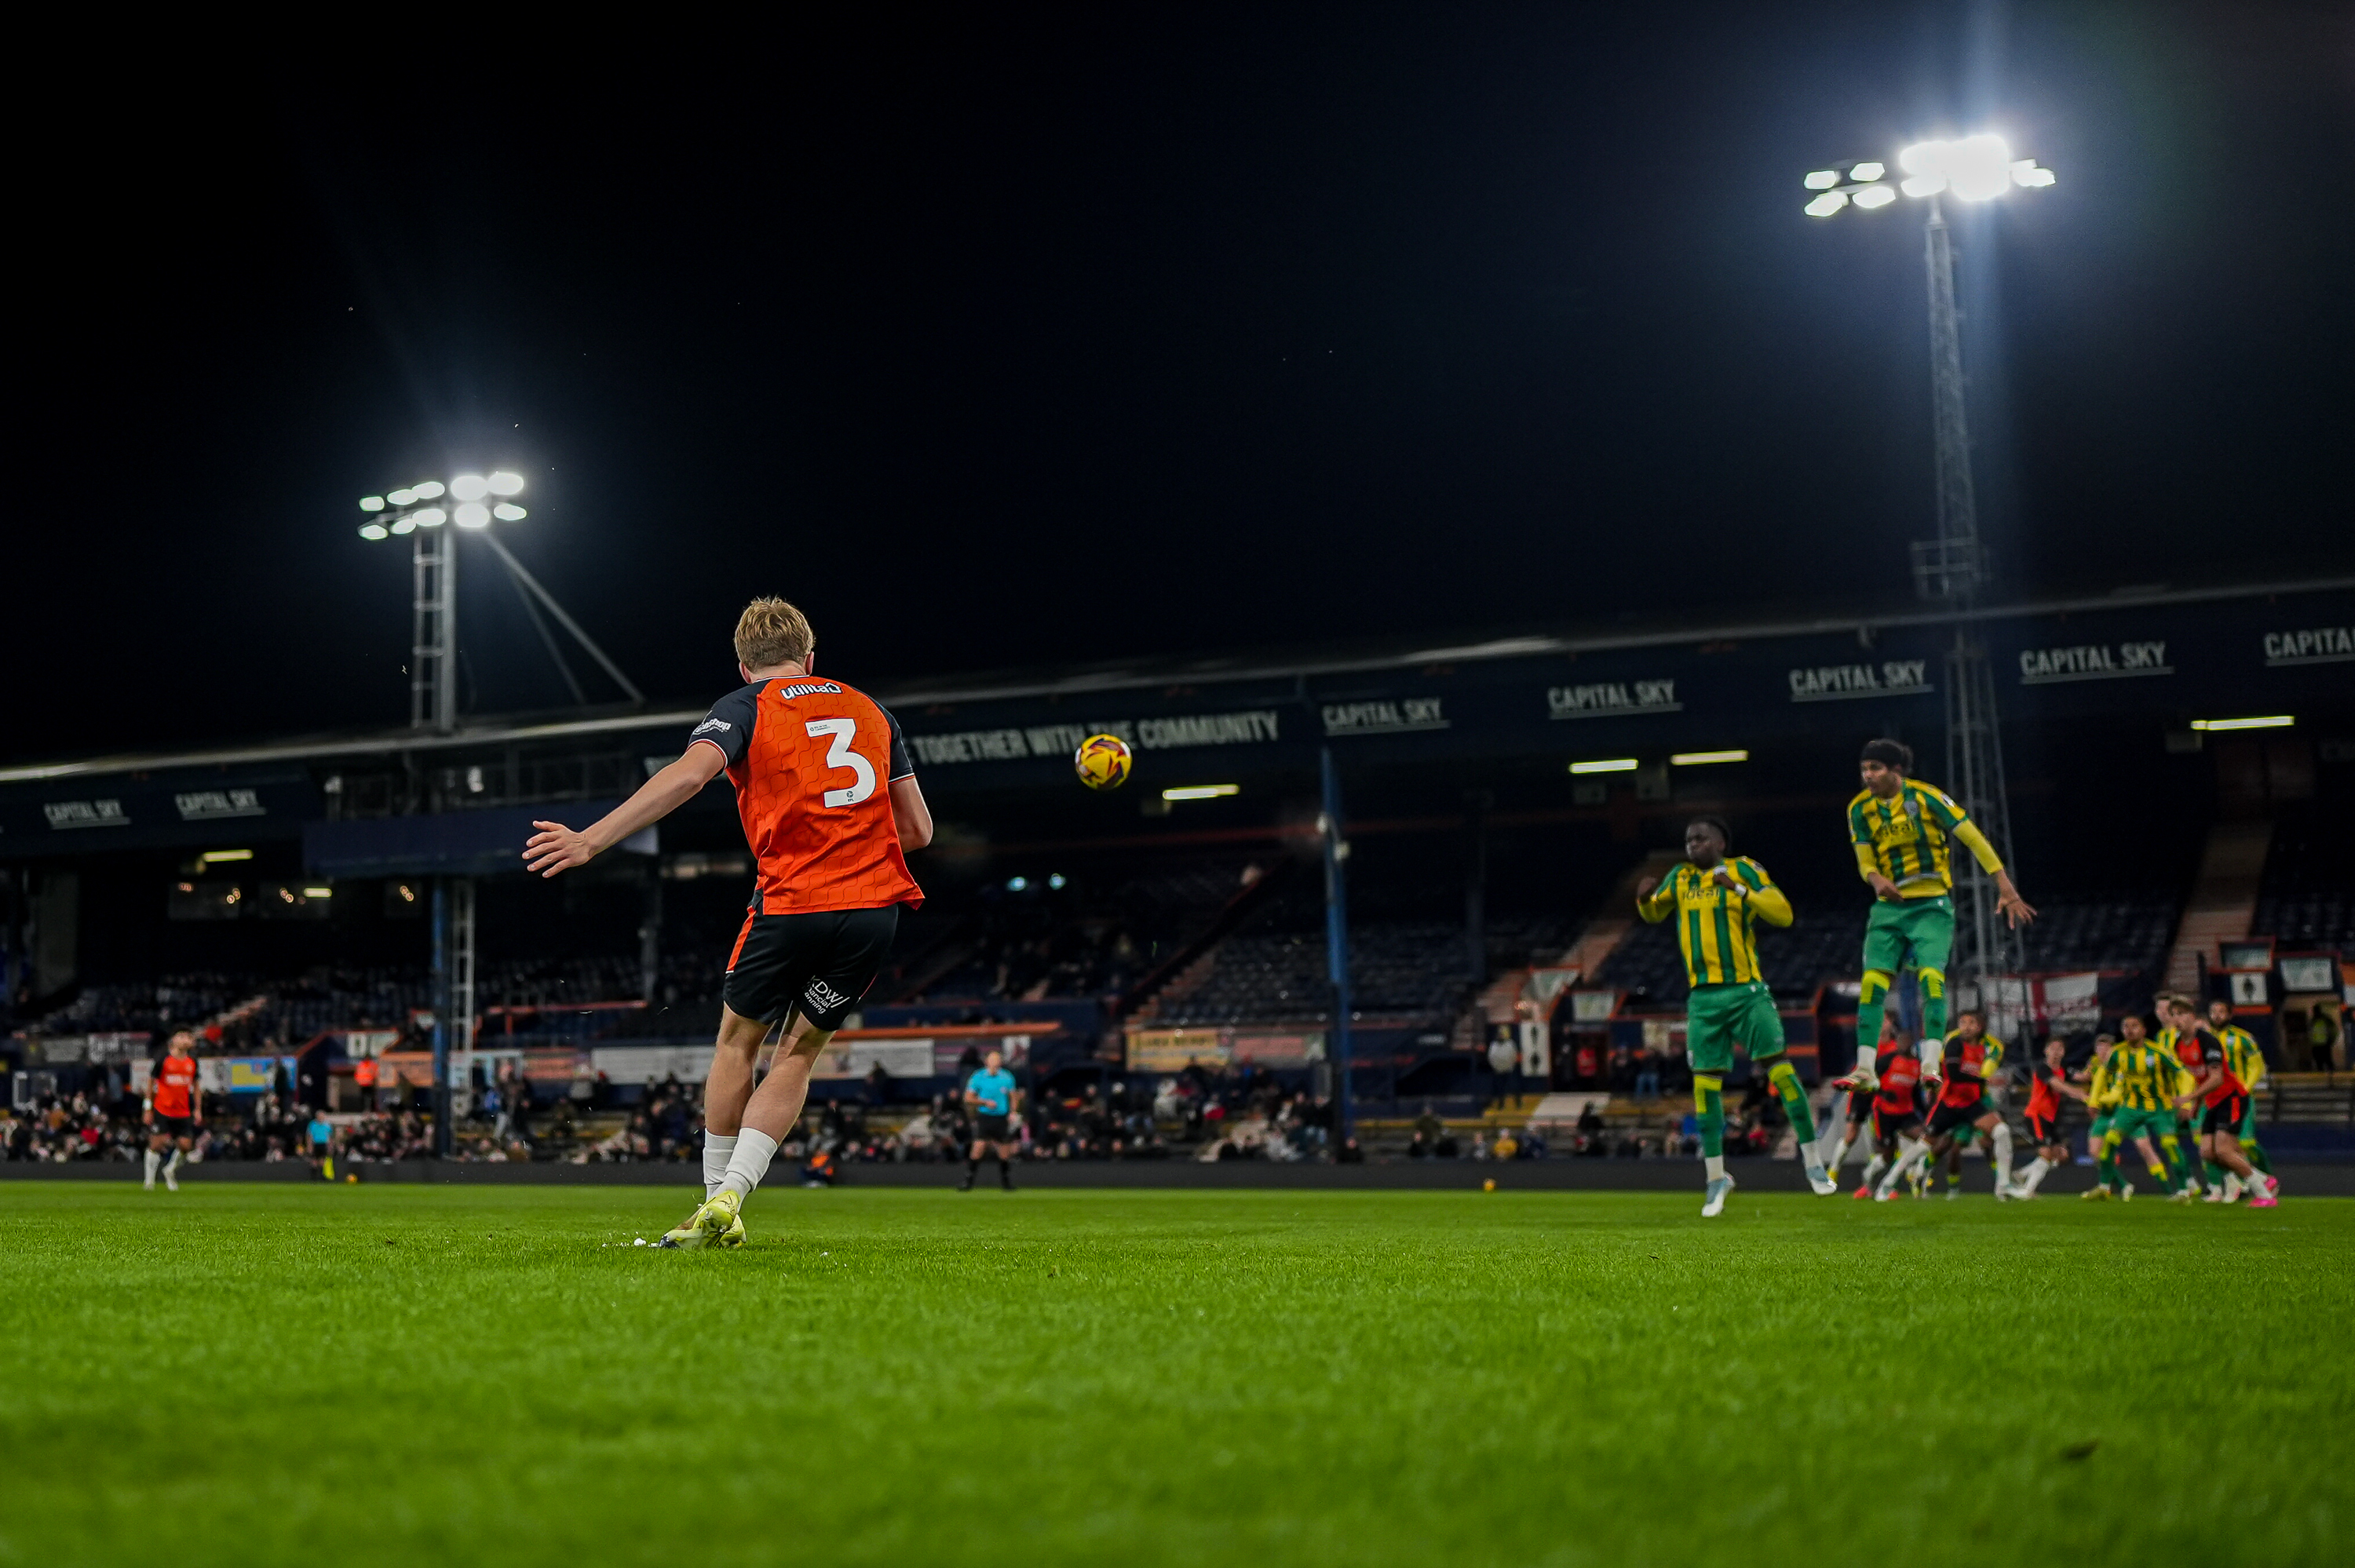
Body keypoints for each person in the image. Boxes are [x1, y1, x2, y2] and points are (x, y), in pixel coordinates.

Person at [524, 597, 932, 1249]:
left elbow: (690, 777)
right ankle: (733, 1196)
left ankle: (713, 1198)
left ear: (744, 666)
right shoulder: (872, 710)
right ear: (810, 657)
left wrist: (591, 840)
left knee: (737, 1044)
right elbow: (917, 830)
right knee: (797, 1054)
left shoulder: (744, 706)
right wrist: (851, 847)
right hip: (871, 911)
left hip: (791, 904)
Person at [1634, 815, 1836, 1217]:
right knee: (1705, 1090)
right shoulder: (1680, 877)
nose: (1693, 845)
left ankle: (1813, 1162)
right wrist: (1643, 901)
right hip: (1703, 1000)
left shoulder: (1744, 869)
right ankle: (1716, 1179)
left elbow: (1783, 914)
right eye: (1689, 840)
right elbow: (1655, 914)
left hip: (1746, 992)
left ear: (1720, 843)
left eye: (1700, 838)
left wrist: (1740, 890)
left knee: (1782, 1074)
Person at [1841, 738, 2036, 1088]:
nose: (1867, 775)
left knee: (1931, 978)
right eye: (1864, 769)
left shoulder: (1926, 797)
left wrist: (2005, 887)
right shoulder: (1859, 809)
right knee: (1871, 984)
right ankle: (1865, 1069)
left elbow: (1974, 838)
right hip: (1889, 909)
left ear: (1896, 770)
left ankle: (1931, 1063)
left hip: (1931, 905)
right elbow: (1864, 859)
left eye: (1875, 768)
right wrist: (1875, 878)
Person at [2166, 996, 2276, 1207]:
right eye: (2173, 1015)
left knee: (2225, 1150)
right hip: (2212, 1102)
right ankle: (2262, 1178)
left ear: (2192, 1016)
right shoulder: (2179, 1045)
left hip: (2231, 1098)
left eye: (2182, 1014)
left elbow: (2217, 1078)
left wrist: (2189, 1098)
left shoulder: (2207, 1041)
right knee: (2207, 1152)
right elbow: (2200, 1077)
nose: (2177, 1019)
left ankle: (2265, 1196)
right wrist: (2196, 1105)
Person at [2096, 1014, 2197, 1201]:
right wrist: (2095, 1101)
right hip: (2130, 1107)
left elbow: (2184, 1075)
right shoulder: (2118, 1052)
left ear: (2143, 1030)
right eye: (2126, 1026)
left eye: (2134, 1026)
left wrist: (2186, 1101)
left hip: (2159, 1107)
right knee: (2109, 1140)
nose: (2129, 1030)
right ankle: (2103, 1187)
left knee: (2169, 1144)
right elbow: (2103, 1074)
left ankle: (2184, 1191)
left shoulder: (2158, 1052)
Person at [1920, 1008, 2017, 1200]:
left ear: (1981, 1026)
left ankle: (2003, 1186)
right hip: (1953, 1098)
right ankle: (1926, 1178)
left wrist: (1983, 1079)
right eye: (1964, 1022)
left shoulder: (1993, 1045)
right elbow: (1945, 1067)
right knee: (1947, 1145)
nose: (1968, 1027)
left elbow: (1987, 1069)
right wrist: (1934, 1087)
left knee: (1988, 1143)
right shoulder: (1953, 1040)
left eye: (1973, 1023)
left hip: (1978, 1098)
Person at [2207, 997, 2274, 1198]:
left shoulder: (2243, 1037)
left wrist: (2245, 1088)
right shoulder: (2204, 1039)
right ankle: (2239, 1182)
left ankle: (2267, 1176)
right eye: (2213, 1012)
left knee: (2246, 1143)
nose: (2217, 1016)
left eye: (2221, 1012)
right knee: (2218, 1146)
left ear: (2229, 1015)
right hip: (2214, 1100)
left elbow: (2257, 1065)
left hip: (2238, 1098)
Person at [1855, 1031, 1928, 1202]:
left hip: (1906, 1113)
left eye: (1906, 1041)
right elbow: (1869, 1081)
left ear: (1911, 1043)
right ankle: (1868, 1177)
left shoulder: (1916, 1064)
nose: (1903, 1044)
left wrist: (1926, 1115)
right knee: (1887, 1156)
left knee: (1925, 1139)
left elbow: (1916, 1093)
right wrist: (1883, 1094)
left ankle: (1916, 1177)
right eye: (1901, 1041)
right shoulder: (1887, 1060)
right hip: (1884, 1113)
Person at [2010, 1037, 2083, 1199]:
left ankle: (2023, 1174)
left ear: (2064, 1052)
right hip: (2036, 1115)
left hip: (2051, 1119)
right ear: (2046, 1051)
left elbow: (2081, 1076)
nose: (2056, 1052)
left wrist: (2095, 1069)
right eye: (2053, 1048)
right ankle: (2028, 1191)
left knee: (2062, 1155)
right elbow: (2056, 1085)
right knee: (2046, 1154)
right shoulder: (2043, 1069)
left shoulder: (2064, 1069)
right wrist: (2078, 1093)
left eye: (2060, 1049)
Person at [144, 1031, 201, 1192]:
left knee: (185, 1145)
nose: (186, 1040)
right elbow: (150, 1084)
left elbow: (196, 1086)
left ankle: (170, 1170)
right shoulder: (163, 1059)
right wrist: (147, 1108)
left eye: (189, 1037)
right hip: (162, 1108)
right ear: (173, 1040)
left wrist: (198, 1109)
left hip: (183, 1111)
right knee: (157, 1144)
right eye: (182, 1037)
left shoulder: (192, 1061)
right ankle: (149, 1181)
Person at [960, 1049, 1021, 1191]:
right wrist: (984, 1102)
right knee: (978, 1147)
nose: (996, 1062)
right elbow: (968, 1098)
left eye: (998, 1060)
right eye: (993, 1059)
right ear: (986, 1062)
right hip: (985, 1117)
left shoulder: (1007, 1077)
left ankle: (1006, 1182)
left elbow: (1013, 1096)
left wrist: (1013, 1112)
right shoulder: (978, 1077)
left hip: (1001, 1118)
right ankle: (968, 1181)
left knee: (1004, 1151)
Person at [2310, 1005, 2339, 1074]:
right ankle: (2322, 1076)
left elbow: (2334, 1030)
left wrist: (2332, 1040)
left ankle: (2332, 1076)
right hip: (2316, 1044)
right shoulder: (2313, 1020)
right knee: (2319, 1062)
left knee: (2327, 1061)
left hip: (2324, 1044)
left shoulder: (2325, 1019)